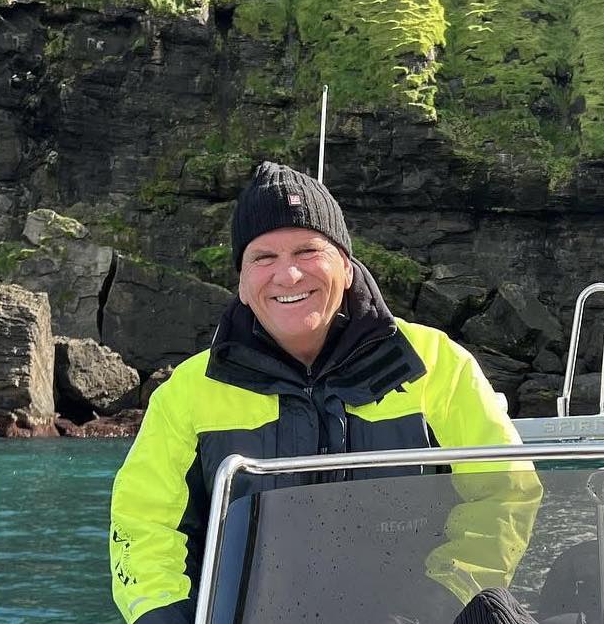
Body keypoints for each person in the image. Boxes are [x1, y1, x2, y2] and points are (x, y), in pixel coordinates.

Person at [109, 162, 541, 623]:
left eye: (308, 250)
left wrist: (442, 600)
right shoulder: (188, 392)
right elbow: (145, 524)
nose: (289, 274)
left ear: (347, 268)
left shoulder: (437, 364)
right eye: (263, 257)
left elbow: (503, 492)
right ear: (242, 283)